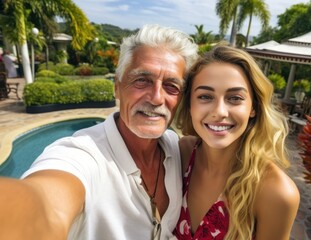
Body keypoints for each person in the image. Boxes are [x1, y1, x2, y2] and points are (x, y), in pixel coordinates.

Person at [0, 24, 198, 239]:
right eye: (142, 80)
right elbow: (44, 206)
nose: (157, 98)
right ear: (117, 86)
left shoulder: (173, 146)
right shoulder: (82, 155)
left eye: (171, 86)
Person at [173, 45, 300, 240]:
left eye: (234, 98)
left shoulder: (276, 192)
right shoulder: (182, 153)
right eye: (205, 96)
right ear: (190, 104)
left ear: (253, 108)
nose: (220, 112)